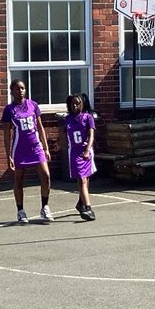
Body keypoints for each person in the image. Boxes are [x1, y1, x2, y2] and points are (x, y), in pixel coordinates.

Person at [0, 79, 52, 223]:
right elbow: (7, 133)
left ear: (25, 90)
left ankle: (45, 207)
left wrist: (46, 148)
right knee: (19, 180)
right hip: (19, 149)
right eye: (16, 89)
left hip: (35, 147)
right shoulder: (9, 110)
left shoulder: (33, 105)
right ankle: (21, 211)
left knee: (46, 175)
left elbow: (40, 128)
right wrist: (8, 155)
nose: (20, 91)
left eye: (22, 88)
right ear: (12, 91)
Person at [64, 93, 97, 221]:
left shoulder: (88, 117)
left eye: (77, 103)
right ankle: (88, 208)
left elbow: (91, 136)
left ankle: (80, 203)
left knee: (86, 179)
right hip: (74, 153)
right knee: (82, 180)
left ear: (82, 104)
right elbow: (64, 136)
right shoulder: (67, 119)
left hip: (86, 151)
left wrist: (87, 150)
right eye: (72, 104)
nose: (75, 106)